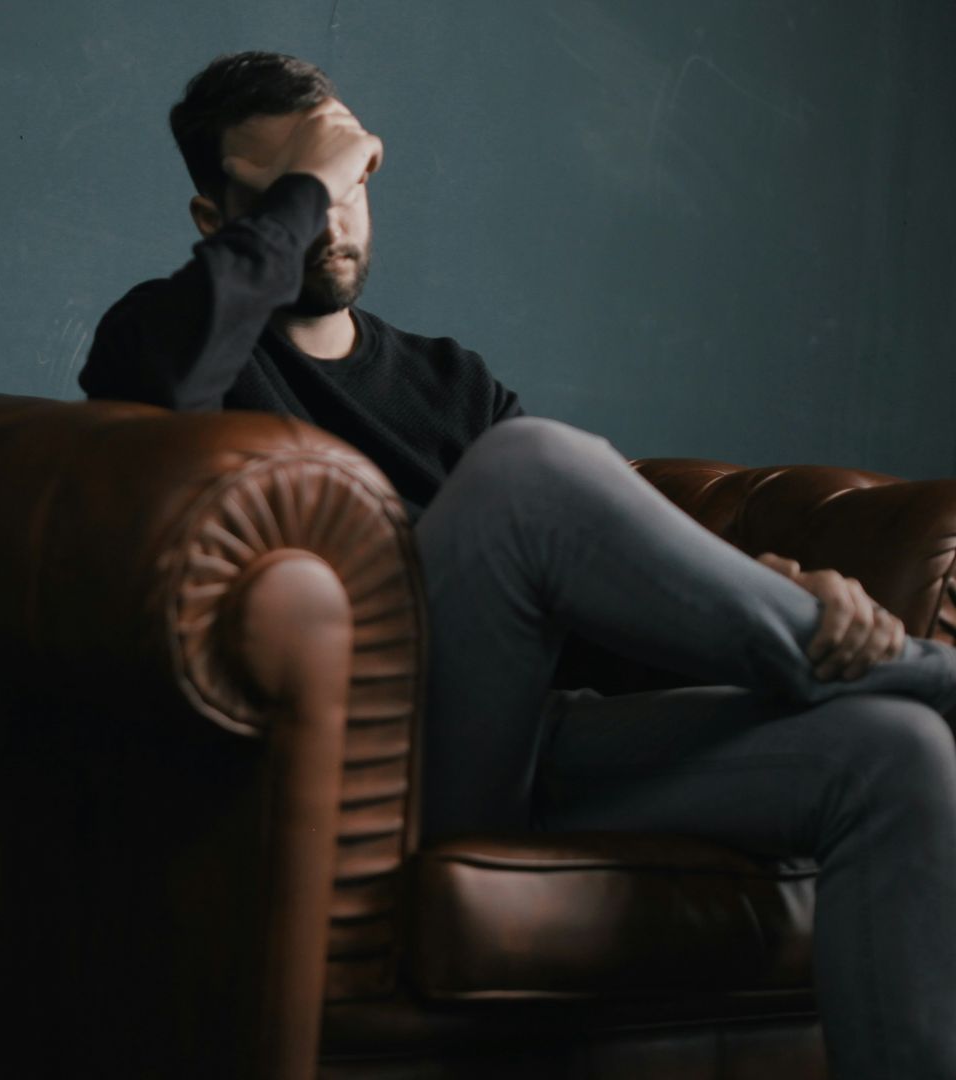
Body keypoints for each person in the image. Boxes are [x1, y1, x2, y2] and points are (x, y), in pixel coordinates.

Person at [78, 51, 956, 1077]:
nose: (330, 216)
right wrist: (313, 182)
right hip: (384, 772)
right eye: (292, 189)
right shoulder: (168, 339)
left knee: (898, 753)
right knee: (530, 468)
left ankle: (872, 676)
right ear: (215, 219)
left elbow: (576, 595)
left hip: (534, 747)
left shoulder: (453, 382)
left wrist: (756, 587)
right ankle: (915, 670)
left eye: (350, 177)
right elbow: (157, 392)